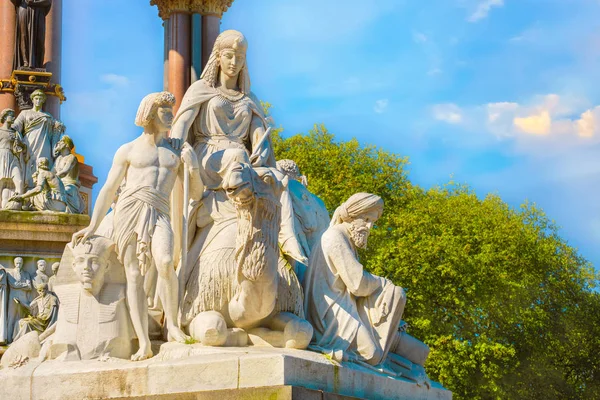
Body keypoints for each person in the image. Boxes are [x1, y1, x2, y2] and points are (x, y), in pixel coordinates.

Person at [71, 91, 203, 361]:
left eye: (171, 109)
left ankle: (174, 327)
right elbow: (109, 188)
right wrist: (93, 225)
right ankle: (144, 343)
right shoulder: (128, 150)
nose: (171, 115)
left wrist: (193, 168)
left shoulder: (176, 150)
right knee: (134, 275)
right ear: (151, 114)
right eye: (166, 111)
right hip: (130, 211)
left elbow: (197, 194)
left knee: (166, 261)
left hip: (160, 211)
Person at [304, 193, 429, 371]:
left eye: (373, 222)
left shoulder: (346, 240)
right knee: (371, 355)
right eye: (367, 219)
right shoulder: (335, 237)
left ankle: (400, 359)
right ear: (353, 216)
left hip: (346, 307)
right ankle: (398, 362)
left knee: (418, 352)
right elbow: (359, 284)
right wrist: (383, 283)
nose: (370, 227)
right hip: (329, 315)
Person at [11, 90, 64, 188]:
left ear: (43, 100)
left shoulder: (48, 116)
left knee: (43, 163)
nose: (38, 101)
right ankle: (28, 186)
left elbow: (54, 133)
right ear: (33, 100)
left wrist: (58, 127)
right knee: (29, 163)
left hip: (44, 143)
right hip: (29, 142)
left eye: (40, 99)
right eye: (36, 98)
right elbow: (16, 126)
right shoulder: (24, 113)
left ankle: (40, 186)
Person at [0, 108, 26, 209]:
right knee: (1, 183)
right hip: (2, 156)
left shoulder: (16, 133)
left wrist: (19, 144)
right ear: (5, 117)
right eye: (11, 115)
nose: (14, 117)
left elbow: (23, 147)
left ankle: (18, 203)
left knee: (19, 181)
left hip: (13, 157)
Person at [53, 135, 84, 213]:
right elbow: (52, 171)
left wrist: (51, 177)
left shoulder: (72, 157)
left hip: (69, 186)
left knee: (64, 192)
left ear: (66, 144)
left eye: (61, 141)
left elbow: (64, 172)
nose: (58, 142)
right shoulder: (58, 159)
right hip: (58, 183)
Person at [6, 257, 33, 343]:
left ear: (22, 264)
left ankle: (21, 340)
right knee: (11, 318)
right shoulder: (10, 273)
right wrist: (23, 284)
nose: (18, 265)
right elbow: (13, 284)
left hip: (23, 299)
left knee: (22, 319)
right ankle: (9, 339)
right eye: (17, 263)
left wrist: (19, 285)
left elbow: (29, 287)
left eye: (20, 263)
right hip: (13, 299)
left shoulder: (26, 274)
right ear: (14, 263)